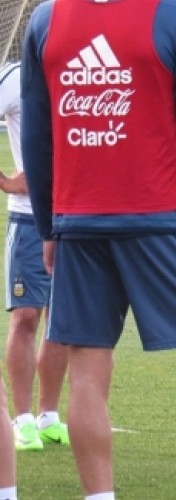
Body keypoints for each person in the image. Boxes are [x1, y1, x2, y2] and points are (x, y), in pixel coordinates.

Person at [20, 0, 176, 498]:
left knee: (86, 372)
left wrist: (48, 228)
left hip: (77, 224)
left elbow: (37, 134)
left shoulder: (45, 19)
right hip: (159, 221)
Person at [1, 60, 70, 455]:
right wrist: (7, 182)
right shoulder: (16, 74)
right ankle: (22, 418)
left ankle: (48, 416)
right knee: (27, 315)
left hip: (80, 217)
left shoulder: (86, 72)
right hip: (30, 218)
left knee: (63, 319)